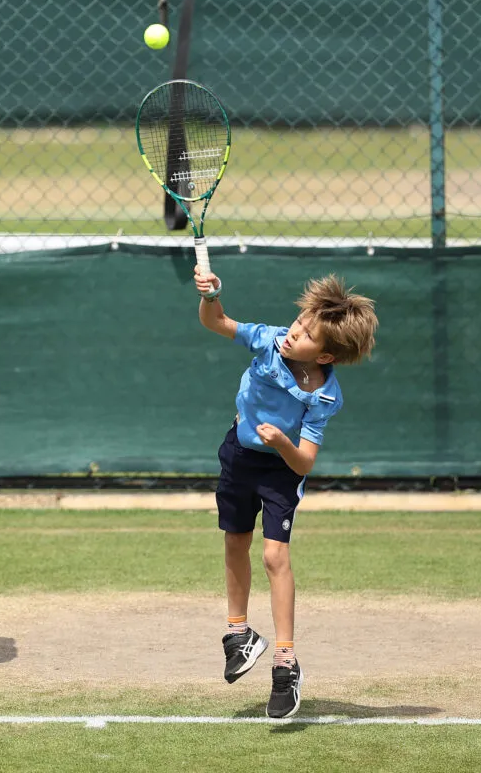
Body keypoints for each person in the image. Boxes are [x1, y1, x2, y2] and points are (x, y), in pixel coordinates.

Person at [193, 268, 377, 718]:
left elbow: (305, 462)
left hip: (280, 469)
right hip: (238, 452)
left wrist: (282, 443)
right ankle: (239, 635)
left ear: (327, 355)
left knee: (275, 557)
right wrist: (212, 294)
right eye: (298, 323)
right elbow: (216, 322)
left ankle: (285, 661)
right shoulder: (269, 339)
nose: (293, 333)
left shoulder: (325, 397)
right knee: (235, 540)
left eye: (306, 334)